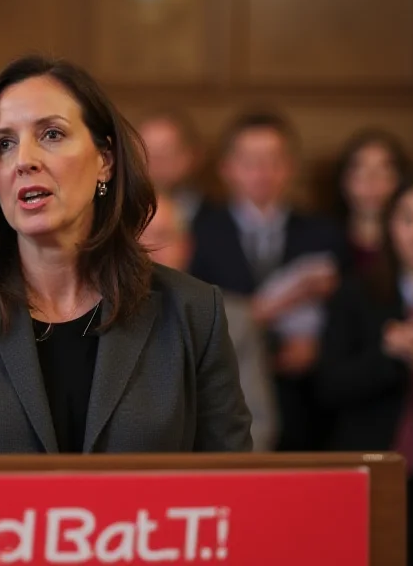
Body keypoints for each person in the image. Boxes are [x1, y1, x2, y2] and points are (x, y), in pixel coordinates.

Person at [0, 55, 252, 455]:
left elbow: (233, 493)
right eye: (3, 144)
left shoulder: (193, 312)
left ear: (105, 160)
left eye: (51, 134)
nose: (24, 160)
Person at [317, 172, 413, 565]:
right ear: (390, 226)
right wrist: (387, 357)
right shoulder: (355, 294)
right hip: (376, 474)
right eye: (408, 218)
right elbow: (328, 387)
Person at [189, 110, 345, 451]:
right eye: (250, 161)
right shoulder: (200, 234)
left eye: (274, 160)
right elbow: (196, 314)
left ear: (290, 167)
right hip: (233, 395)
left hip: (309, 401)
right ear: (227, 168)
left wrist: (318, 344)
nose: (262, 172)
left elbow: (347, 313)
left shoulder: (323, 233)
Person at [141, 195, 277, 450]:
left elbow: (256, 424)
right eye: (138, 236)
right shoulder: (98, 315)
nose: (149, 248)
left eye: (162, 236)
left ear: (186, 246)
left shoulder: (233, 318)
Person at [334, 128, 410, 276]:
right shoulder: (325, 244)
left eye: (383, 173)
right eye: (361, 174)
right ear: (344, 181)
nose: (372, 183)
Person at [138, 109, 205, 226]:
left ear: (192, 155)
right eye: (146, 153)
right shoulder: (116, 215)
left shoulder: (218, 220)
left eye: (166, 152)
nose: (155, 163)